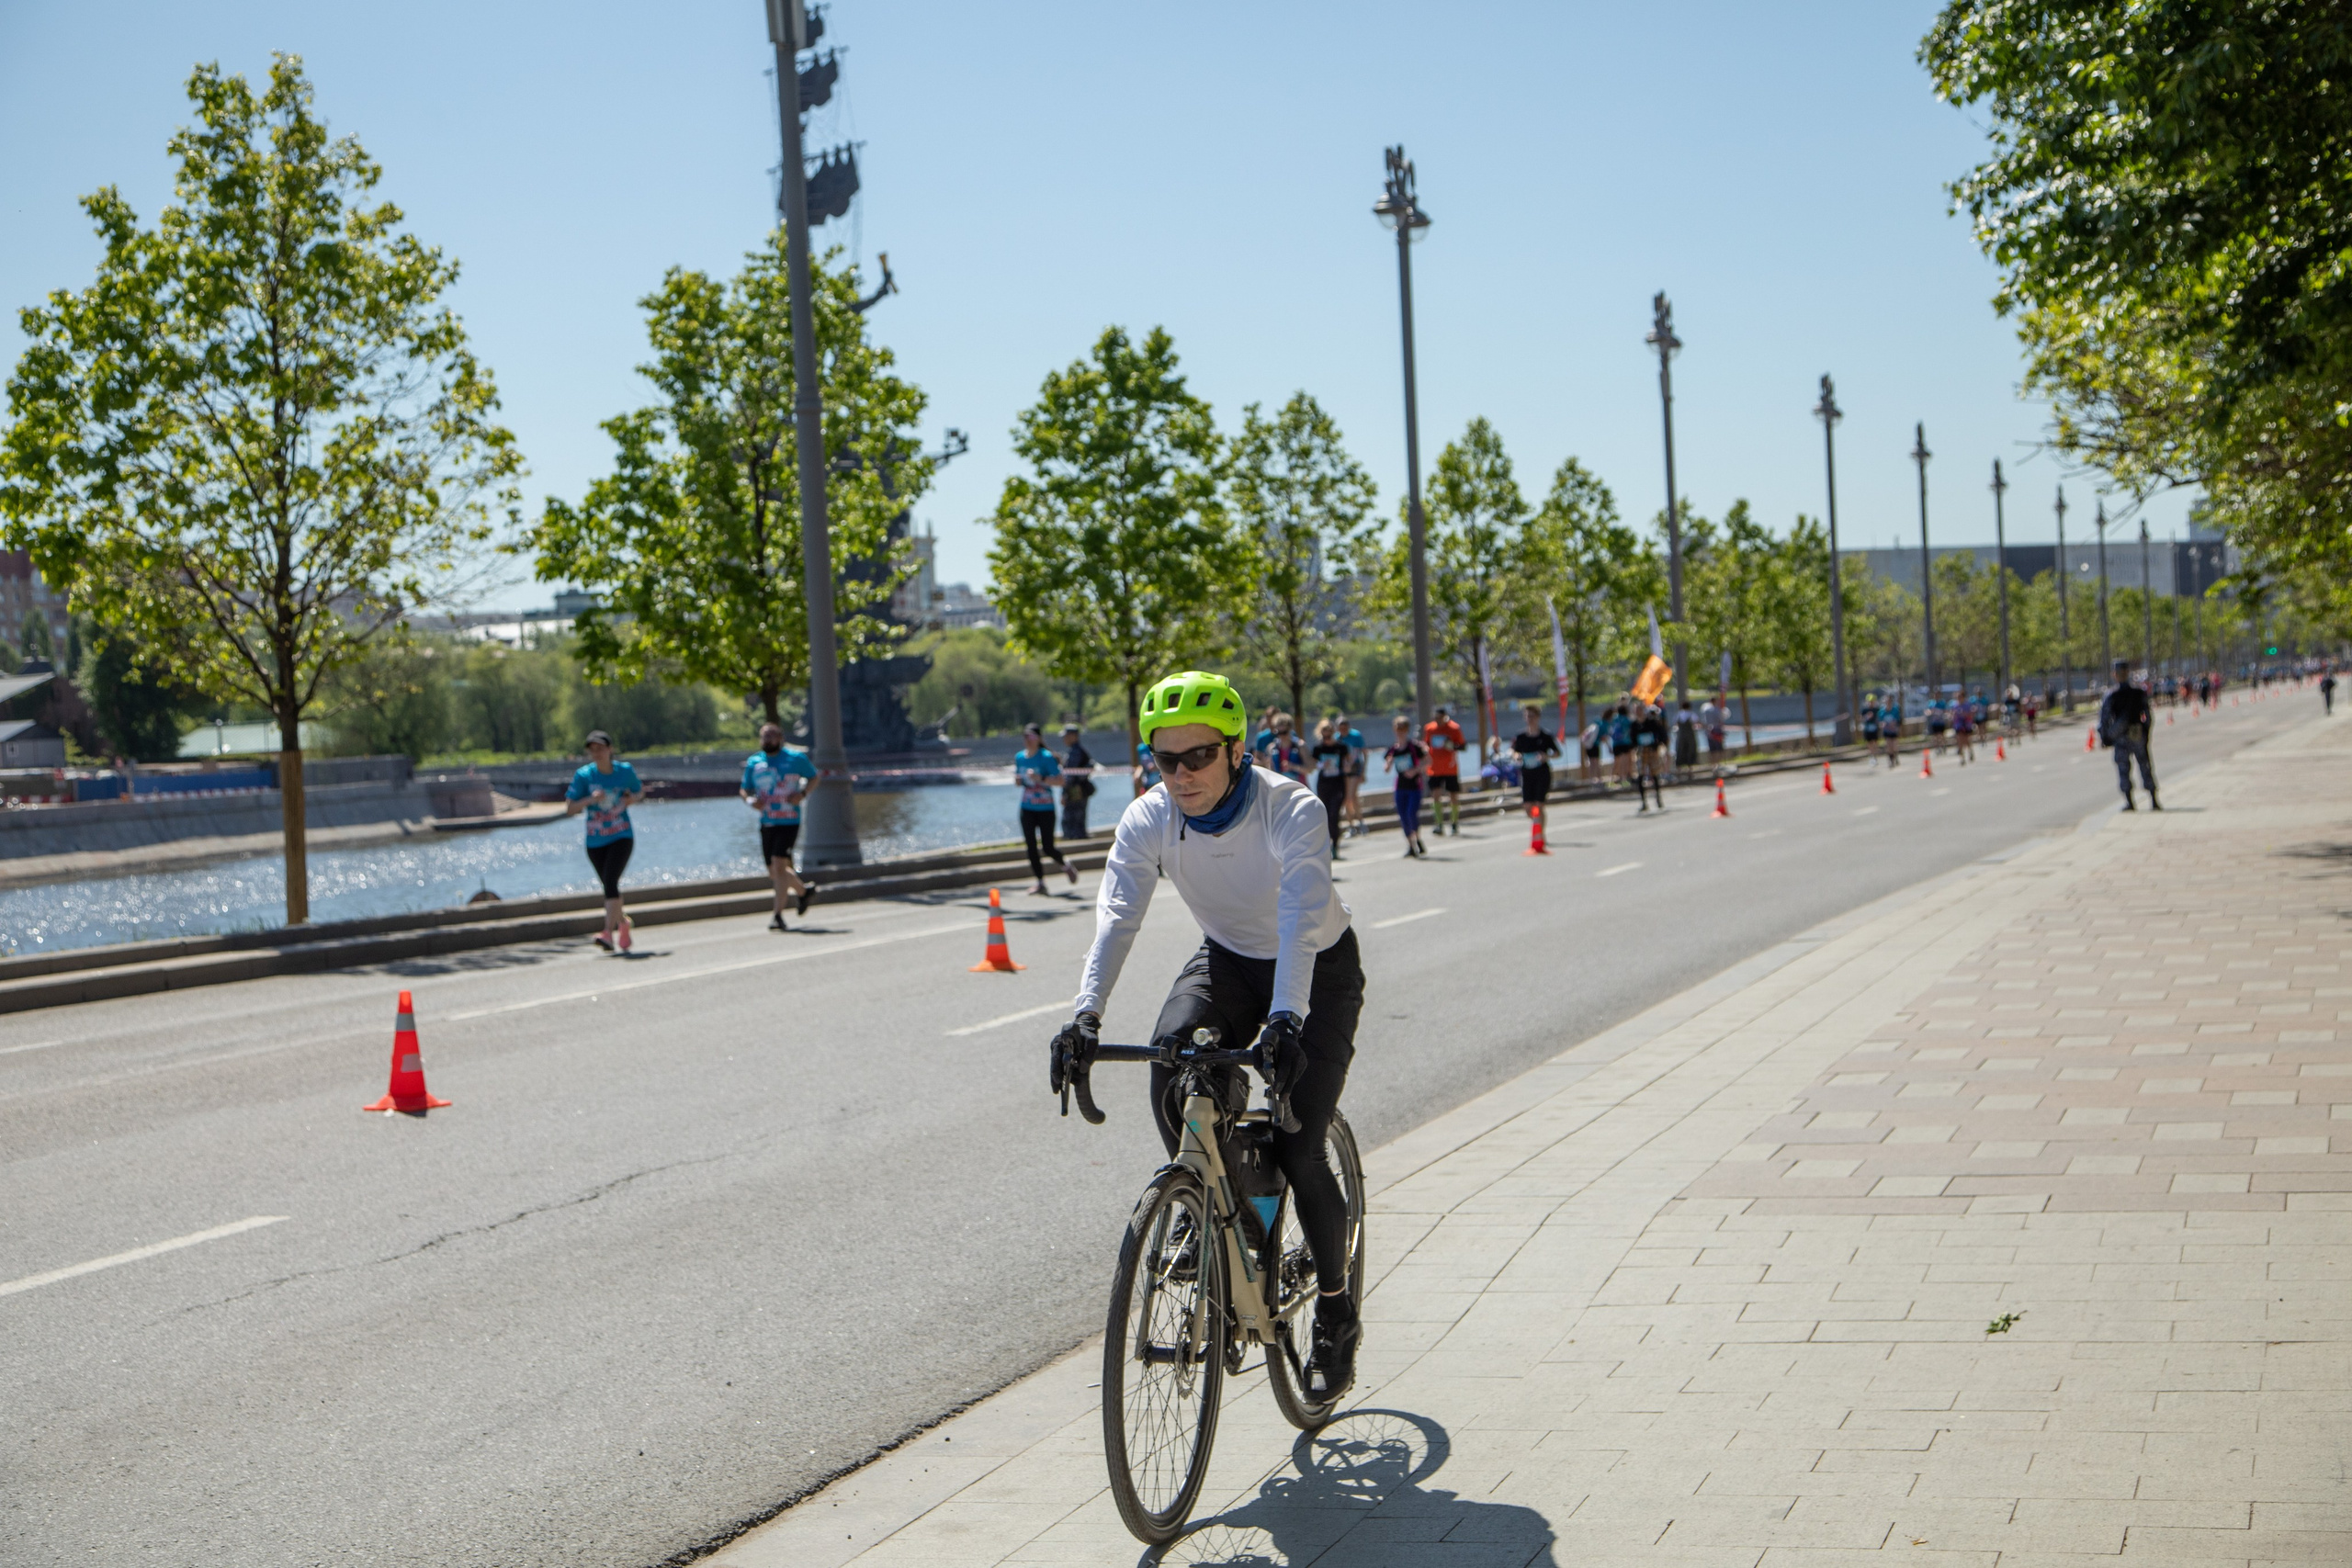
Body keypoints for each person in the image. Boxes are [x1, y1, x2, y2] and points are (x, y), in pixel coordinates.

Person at [1050, 670, 1364, 1400]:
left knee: (1297, 1138)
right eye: (1166, 759)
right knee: (1173, 1062)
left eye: (1199, 756)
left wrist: (1286, 1018)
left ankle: (1336, 1311)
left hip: (1314, 966)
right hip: (1226, 958)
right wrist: (1085, 1014)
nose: (1183, 773)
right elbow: (1117, 914)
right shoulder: (1150, 817)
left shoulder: (1291, 808)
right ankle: (1213, 1203)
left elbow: (1297, 918)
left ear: (1236, 750)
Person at [566, 729, 644, 953]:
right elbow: (570, 808)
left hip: (621, 835)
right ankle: (623, 923)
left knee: (610, 882)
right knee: (610, 887)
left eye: (601, 748)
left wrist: (632, 799)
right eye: (592, 750)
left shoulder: (625, 771)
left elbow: (639, 793)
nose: (597, 753)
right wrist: (591, 799)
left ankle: (607, 933)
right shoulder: (584, 776)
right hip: (595, 841)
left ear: (610, 750)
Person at [740, 721, 815, 931]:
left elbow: (814, 777)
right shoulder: (754, 762)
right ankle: (803, 892)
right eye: (764, 735)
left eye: (772, 735)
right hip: (767, 821)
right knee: (774, 872)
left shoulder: (795, 759)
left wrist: (802, 794)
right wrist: (751, 801)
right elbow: (744, 790)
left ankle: (777, 916)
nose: (768, 739)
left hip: (789, 820)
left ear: (781, 738)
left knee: (780, 865)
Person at [1014, 723, 1080, 894]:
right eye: (1026, 737)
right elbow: (1018, 779)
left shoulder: (1046, 757)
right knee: (1030, 846)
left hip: (1045, 808)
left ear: (1039, 739)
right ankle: (1040, 882)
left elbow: (1061, 781)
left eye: (1032, 737)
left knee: (1047, 847)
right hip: (1027, 808)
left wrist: (1040, 778)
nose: (1029, 740)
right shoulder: (1020, 757)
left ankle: (1065, 864)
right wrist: (1019, 781)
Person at [2098, 660, 2159, 809]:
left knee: (2124, 770)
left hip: (2120, 738)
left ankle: (2130, 802)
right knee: (2145, 767)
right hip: (2137, 734)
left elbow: (2103, 720)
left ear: (2115, 674)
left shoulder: (2111, 695)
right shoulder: (2138, 693)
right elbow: (2148, 716)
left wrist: (2105, 738)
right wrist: (2145, 732)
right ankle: (2153, 800)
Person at [1385, 716, 1428, 856]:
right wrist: (1389, 763)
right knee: (1403, 816)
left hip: (1414, 786)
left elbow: (1428, 761)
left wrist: (1415, 770)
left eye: (1403, 729)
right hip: (1400, 787)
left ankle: (1418, 839)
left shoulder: (1414, 746)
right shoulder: (1393, 749)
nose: (1400, 732)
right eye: (1398, 729)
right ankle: (1411, 845)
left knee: (1411, 813)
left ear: (1407, 730)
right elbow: (1386, 769)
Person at [1310, 716, 1351, 855]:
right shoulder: (1318, 748)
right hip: (1324, 784)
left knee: (1334, 815)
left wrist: (1347, 768)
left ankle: (1335, 845)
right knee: (1325, 815)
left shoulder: (1341, 747)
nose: (1326, 739)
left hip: (1338, 784)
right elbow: (1313, 765)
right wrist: (1322, 765)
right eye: (1324, 735)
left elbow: (1348, 762)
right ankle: (1326, 845)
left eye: (1329, 735)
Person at [1423, 705, 1465, 835]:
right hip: (1434, 768)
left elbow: (1463, 746)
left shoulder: (1454, 728)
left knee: (1453, 795)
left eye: (1440, 718)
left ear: (1445, 717)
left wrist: (1452, 746)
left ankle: (1454, 822)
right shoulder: (1429, 728)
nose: (1438, 721)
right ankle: (1439, 824)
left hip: (1450, 768)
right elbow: (1427, 744)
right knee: (1435, 795)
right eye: (1435, 718)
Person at [1510, 702, 1559, 811]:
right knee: (1528, 806)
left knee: (1538, 805)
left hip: (1542, 773)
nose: (1529, 719)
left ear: (1538, 717)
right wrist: (1517, 756)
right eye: (1527, 716)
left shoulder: (1545, 736)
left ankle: (1538, 828)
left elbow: (1557, 753)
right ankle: (1538, 825)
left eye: (1532, 716)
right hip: (1527, 773)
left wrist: (1546, 756)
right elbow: (1513, 751)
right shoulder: (1520, 736)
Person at [1059, 724, 1095, 840]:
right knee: (1077, 821)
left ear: (1073, 736)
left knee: (1072, 821)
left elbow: (1070, 776)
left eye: (1066, 736)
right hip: (1077, 791)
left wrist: (1065, 794)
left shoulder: (1076, 752)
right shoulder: (1076, 751)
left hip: (1076, 792)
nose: (1064, 739)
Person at [1630, 701, 1668, 812]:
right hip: (1641, 751)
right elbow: (1632, 739)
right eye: (1636, 711)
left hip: (1652, 750)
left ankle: (1658, 798)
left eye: (1640, 710)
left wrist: (1658, 744)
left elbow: (1661, 734)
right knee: (1640, 775)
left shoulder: (1651, 722)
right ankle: (1643, 802)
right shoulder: (1634, 725)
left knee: (1655, 774)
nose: (1638, 713)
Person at [1340, 714, 1369, 837]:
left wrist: (1363, 771)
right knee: (1348, 798)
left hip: (1356, 769)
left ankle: (1360, 823)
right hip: (1343, 771)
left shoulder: (1356, 736)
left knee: (1351, 796)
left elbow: (1365, 754)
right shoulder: (1337, 738)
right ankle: (1352, 824)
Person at [1607, 702, 1634, 786]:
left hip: (1616, 743)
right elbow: (1631, 730)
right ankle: (1624, 780)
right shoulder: (1627, 720)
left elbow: (1610, 730)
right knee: (1625, 762)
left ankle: (1611, 780)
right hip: (1625, 742)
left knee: (1616, 762)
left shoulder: (1614, 719)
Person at [1673, 701, 1700, 774]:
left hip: (1681, 735)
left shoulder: (1678, 714)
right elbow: (1696, 722)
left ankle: (1679, 769)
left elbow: (1675, 724)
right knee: (1690, 749)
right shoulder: (1691, 714)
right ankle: (1690, 769)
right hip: (1689, 734)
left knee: (1680, 750)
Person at [1577, 714, 1603, 784]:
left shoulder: (1590, 727)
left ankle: (1591, 777)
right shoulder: (1597, 727)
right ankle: (1599, 777)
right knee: (1596, 762)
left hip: (1588, 747)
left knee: (1591, 762)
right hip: (1594, 746)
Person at [1951, 694, 1976, 764]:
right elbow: (1953, 715)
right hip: (1959, 725)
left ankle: (1970, 751)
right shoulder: (1955, 706)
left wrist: (1964, 714)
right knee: (1960, 741)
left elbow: (1971, 714)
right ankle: (1962, 758)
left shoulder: (1967, 705)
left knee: (1967, 740)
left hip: (1966, 724)